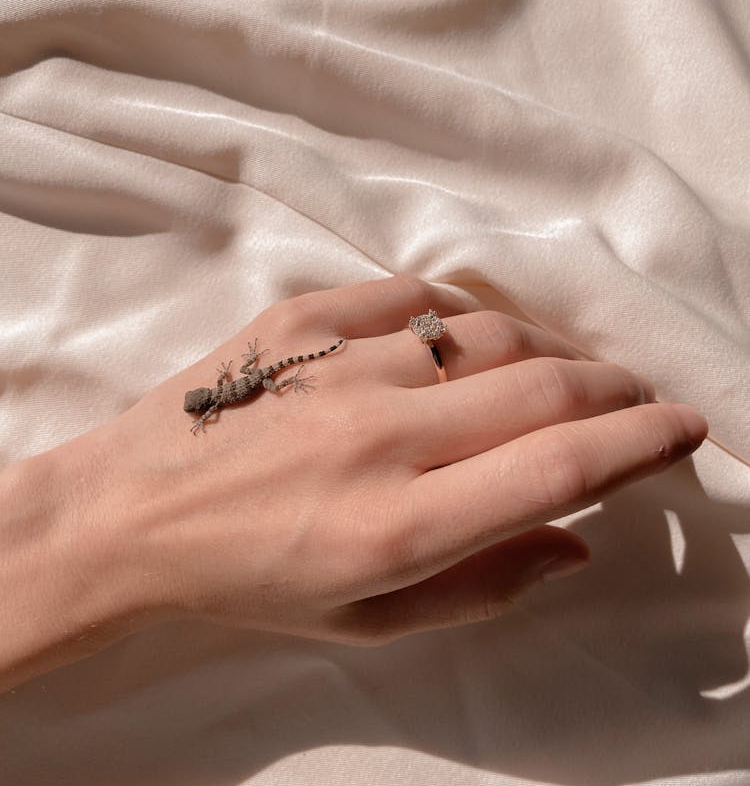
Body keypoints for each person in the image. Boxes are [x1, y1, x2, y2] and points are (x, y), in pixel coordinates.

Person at [0, 275, 708, 693]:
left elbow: (248, 386)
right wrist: (90, 547)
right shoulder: (208, 405)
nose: (200, 412)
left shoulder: (221, 402)